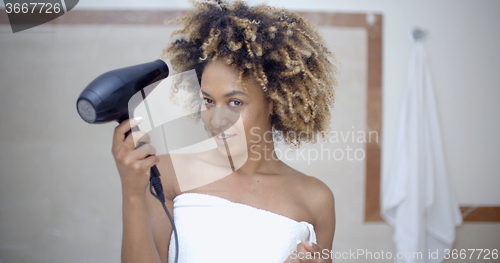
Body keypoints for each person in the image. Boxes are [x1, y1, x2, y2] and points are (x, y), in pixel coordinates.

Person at [111, 0, 337, 262]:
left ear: (273, 103)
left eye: (235, 102)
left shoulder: (315, 198)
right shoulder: (167, 174)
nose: (216, 120)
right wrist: (132, 193)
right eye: (208, 100)